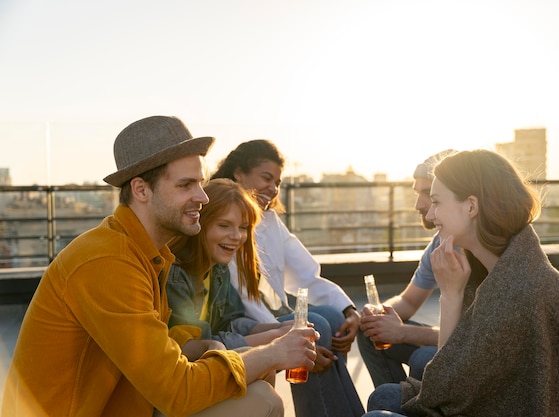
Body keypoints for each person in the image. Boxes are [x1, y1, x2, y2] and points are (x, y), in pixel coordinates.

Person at [1, 116, 317, 417]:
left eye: (201, 183)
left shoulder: (146, 254)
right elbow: (176, 391)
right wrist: (273, 352)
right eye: (186, 185)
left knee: (257, 388)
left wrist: (199, 344)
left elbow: (154, 348)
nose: (203, 197)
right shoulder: (108, 262)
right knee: (260, 400)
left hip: (128, 405)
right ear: (141, 190)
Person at [364, 149, 559, 417]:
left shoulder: (520, 288)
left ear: (471, 206)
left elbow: (441, 390)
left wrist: (450, 296)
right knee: (387, 396)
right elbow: (450, 373)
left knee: (381, 406)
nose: (430, 215)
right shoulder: (500, 266)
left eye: (436, 202)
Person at [211, 139, 365, 417]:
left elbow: (306, 273)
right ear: (238, 174)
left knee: (332, 317)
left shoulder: (269, 220)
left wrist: (348, 309)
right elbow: (243, 299)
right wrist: (292, 341)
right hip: (241, 320)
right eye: (266, 178)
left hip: (272, 314)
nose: (273, 188)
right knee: (314, 325)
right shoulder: (221, 223)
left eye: (277, 182)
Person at [165, 178, 292, 375]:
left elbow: (230, 321)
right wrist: (273, 338)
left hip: (206, 370)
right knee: (258, 361)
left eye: (243, 228)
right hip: (181, 379)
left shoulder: (218, 269)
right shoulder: (175, 274)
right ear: (200, 223)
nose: (236, 236)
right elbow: (195, 345)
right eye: (224, 225)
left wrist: (278, 328)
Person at [357, 150, 455, 387]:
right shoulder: (438, 244)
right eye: (418, 192)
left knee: (423, 359)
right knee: (371, 331)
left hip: (472, 353)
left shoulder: (479, 249)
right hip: (456, 339)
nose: (418, 204)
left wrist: (402, 332)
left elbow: (467, 337)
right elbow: (409, 301)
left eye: (428, 194)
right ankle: (397, 407)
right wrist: (377, 314)